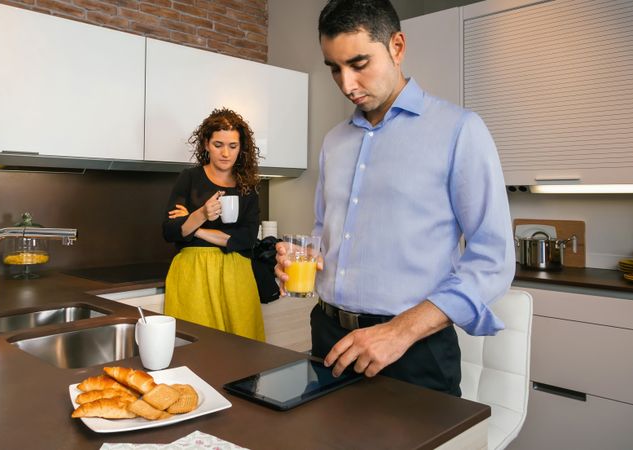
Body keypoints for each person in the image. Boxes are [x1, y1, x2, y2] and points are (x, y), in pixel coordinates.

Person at [275, 0, 515, 396]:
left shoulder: (460, 130)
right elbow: (325, 230)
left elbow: (493, 259)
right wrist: (307, 258)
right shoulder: (334, 141)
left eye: (359, 63)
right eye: (334, 68)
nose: (347, 84)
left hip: (413, 352)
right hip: (328, 337)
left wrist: (399, 332)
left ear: (397, 47)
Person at [162, 108, 265, 341]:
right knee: (196, 347)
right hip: (193, 273)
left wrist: (195, 227)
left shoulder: (247, 185)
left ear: (241, 148)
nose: (226, 153)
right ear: (206, 144)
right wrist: (202, 213)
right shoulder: (189, 178)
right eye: (218, 145)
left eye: (233, 146)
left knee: (242, 349)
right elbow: (169, 231)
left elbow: (247, 238)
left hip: (236, 274)